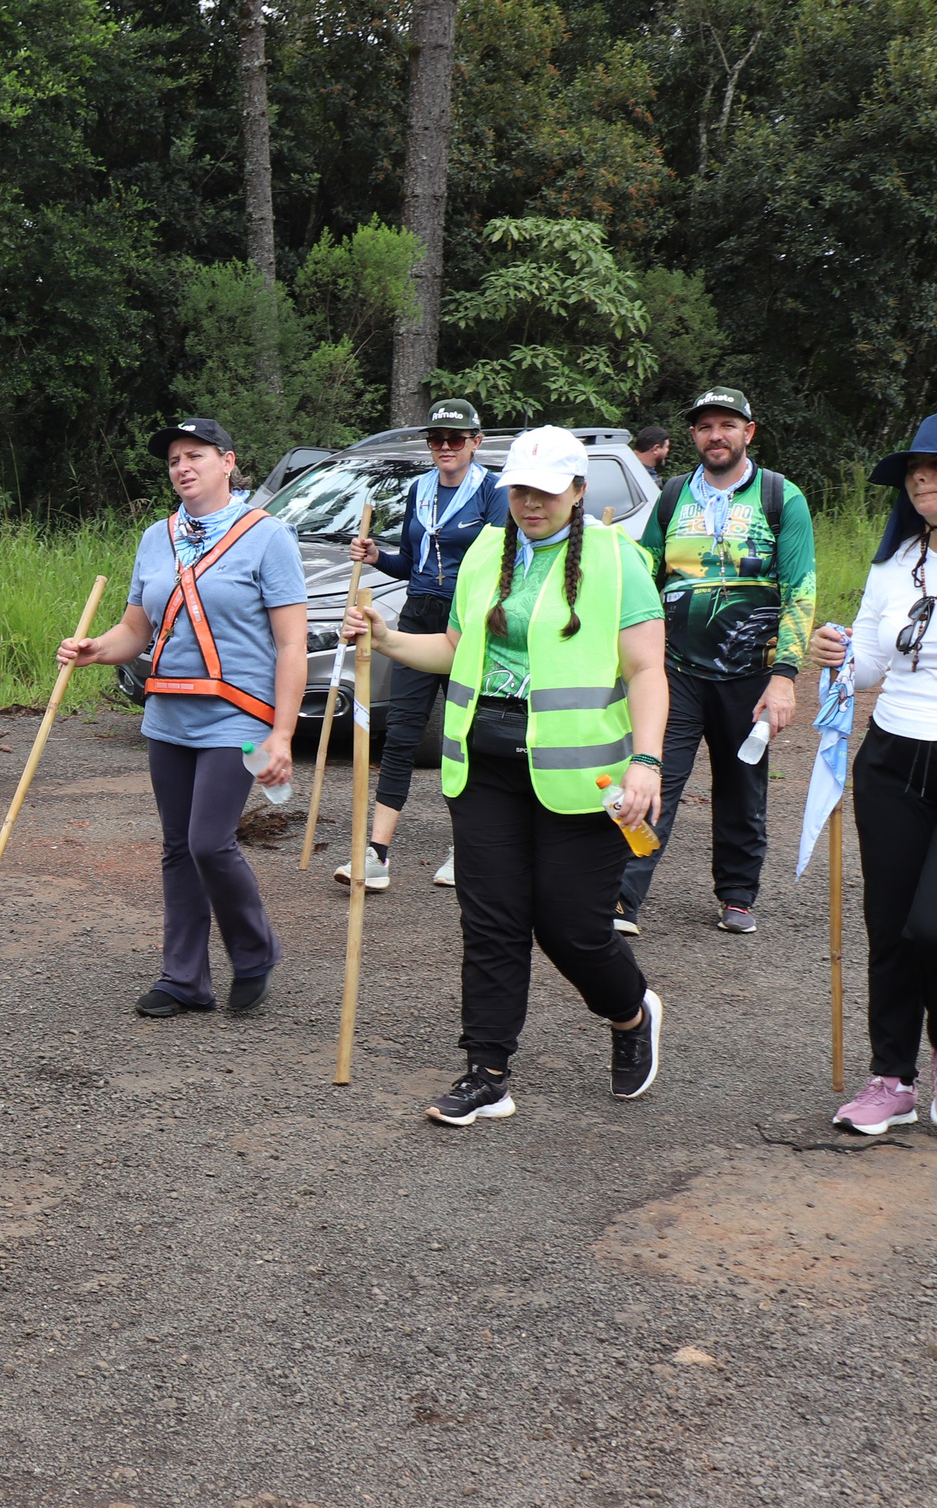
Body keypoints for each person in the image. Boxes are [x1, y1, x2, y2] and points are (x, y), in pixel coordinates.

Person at [340, 426, 669, 1125]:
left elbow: (646, 671)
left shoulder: (619, 561)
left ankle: (630, 1012)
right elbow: (459, 647)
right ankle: (487, 1072)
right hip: (485, 766)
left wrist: (647, 760)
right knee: (491, 923)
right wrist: (387, 637)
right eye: (520, 489)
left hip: (585, 779)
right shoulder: (490, 549)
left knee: (572, 928)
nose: (530, 503)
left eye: (546, 492)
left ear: (579, 492)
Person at [61, 417, 306, 1016]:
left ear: (228, 461)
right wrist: (97, 648)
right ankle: (184, 979)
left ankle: (254, 950)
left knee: (208, 842)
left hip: (239, 715)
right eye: (173, 460)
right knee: (177, 846)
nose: (182, 467)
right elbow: (135, 629)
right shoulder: (156, 537)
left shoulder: (269, 536)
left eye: (194, 455)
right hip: (167, 711)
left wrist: (283, 734)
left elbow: (292, 644)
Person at [615, 385, 817, 935]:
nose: (715, 435)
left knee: (742, 791)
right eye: (705, 427)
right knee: (652, 777)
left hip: (750, 674)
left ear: (748, 433)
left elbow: (800, 589)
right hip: (674, 668)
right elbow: (645, 568)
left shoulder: (781, 497)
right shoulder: (674, 495)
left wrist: (784, 678)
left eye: (727, 425)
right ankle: (622, 898)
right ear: (693, 437)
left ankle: (737, 895)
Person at [808, 415, 937, 1135]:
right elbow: (867, 669)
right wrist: (836, 650)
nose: (920, 478)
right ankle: (892, 1076)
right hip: (891, 759)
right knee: (888, 924)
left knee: (933, 925)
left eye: (933, 466)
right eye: (913, 469)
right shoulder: (895, 565)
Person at [337, 397, 508, 891]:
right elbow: (410, 560)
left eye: (457, 439)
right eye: (437, 439)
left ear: (477, 442)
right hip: (417, 614)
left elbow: (499, 562)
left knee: (465, 738)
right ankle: (376, 854)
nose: (446, 447)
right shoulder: (420, 489)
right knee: (403, 736)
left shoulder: (494, 493)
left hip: (468, 623)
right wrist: (376, 556)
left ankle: (466, 848)